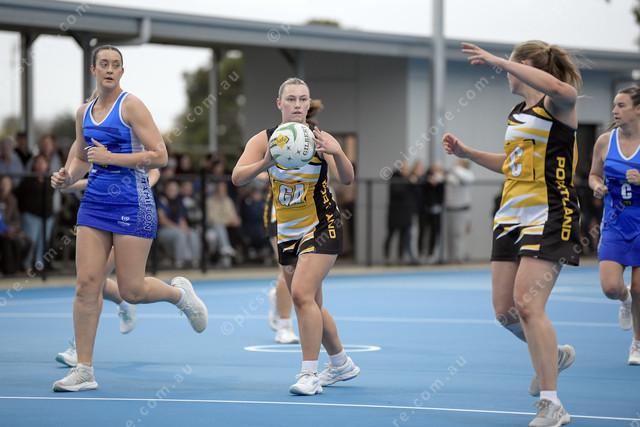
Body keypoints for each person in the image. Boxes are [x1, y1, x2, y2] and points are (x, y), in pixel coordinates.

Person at [50, 45, 208, 392]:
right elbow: (82, 157)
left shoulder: (131, 105)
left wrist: (112, 158)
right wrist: (66, 177)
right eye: (104, 64)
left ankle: (179, 295)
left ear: (122, 71)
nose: (110, 69)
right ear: (93, 70)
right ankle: (84, 369)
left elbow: (160, 156)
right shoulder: (83, 112)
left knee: (132, 291)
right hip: (94, 204)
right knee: (86, 284)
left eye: (116, 65)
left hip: (132, 203)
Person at [442, 41, 582, 427]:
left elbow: (563, 89)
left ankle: (552, 405)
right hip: (510, 217)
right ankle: (553, 355)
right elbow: (512, 163)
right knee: (505, 313)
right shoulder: (517, 114)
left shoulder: (557, 105)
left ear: (523, 65)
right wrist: (469, 154)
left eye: (510, 66)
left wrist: (497, 60)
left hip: (548, 214)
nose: (505, 74)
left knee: (528, 305)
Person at [232, 77, 359, 395]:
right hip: (287, 231)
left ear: (308, 104)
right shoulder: (265, 139)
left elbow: (346, 178)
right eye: (291, 99)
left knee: (301, 294)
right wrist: (265, 162)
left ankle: (309, 374)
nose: (298, 105)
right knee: (312, 303)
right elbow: (237, 177)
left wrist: (338, 152)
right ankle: (341, 363)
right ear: (280, 104)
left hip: (322, 225)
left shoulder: (319, 138)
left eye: (303, 99)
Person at [55, 168, 161, 367]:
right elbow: (77, 179)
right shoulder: (92, 150)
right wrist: (67, 182)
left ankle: (79, 348)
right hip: (98, 211)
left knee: (96, 282)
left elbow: (154, 168)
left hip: (129, 213)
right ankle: (123, 304)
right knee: (90, 282)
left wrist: (138, 186)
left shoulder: (134, 150)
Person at [588, 85, 640, 365]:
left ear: (638, 109)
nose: (614, 111)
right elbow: (594, 174)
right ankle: (625, 300)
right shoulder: (605, 141)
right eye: (614, 105)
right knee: (610, 288)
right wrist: (597, 186)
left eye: (621, 105)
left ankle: (637, 343)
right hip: (615, 223)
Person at [444, 158, 475, 263]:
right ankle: (451, 257)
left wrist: (455, 168)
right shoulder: (452, 174)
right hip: (450, 208)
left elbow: (462, 175)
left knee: (459, 234)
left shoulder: (468, 174)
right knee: (450, 235)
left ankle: (459, 257)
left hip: (461, 208)